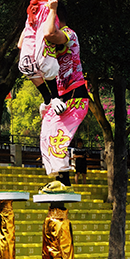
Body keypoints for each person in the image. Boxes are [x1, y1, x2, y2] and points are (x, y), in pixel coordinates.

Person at [37, 22, 90, 195]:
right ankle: (59, 178)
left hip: (75, 97)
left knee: (56, 134)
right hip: (59, 99)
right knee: (46, 132)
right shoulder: (49, 43)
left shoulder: (69, 34)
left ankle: (65, 182)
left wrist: (51, 9)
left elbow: (51, 34)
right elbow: (21, 44)